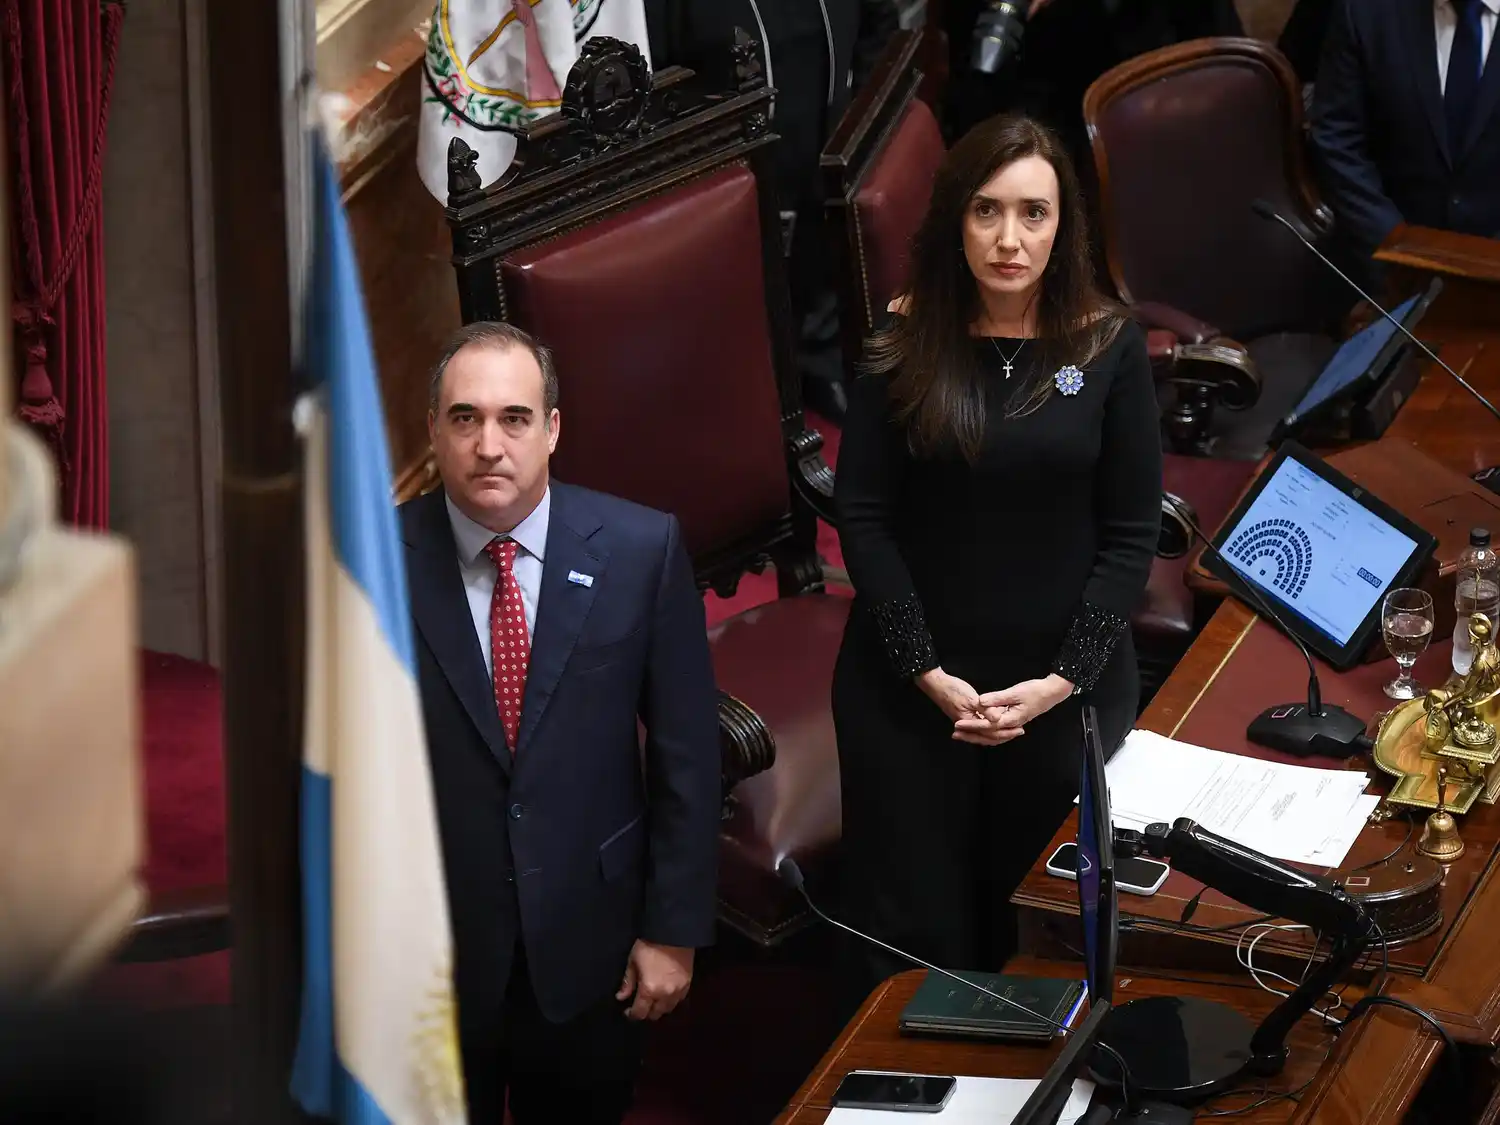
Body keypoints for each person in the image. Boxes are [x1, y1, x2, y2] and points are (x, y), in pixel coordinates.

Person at [831, 114, 1161, 1003]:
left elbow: (1132, 533)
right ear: (955, 219)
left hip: (1062, 685)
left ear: (1065, 226)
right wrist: (925, 671)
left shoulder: (1108, 344)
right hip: (911, 685)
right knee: (914, 931)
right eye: (987, 211)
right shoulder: (902, 337)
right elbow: (862, 514)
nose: (1010, 239)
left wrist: (1062, 679)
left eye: (1034, 213)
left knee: (1042, 924)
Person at [399, 321, 722, 1124]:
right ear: (433, 433)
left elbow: (687, 755)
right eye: (464, 417)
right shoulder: (371, 560)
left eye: (514, 418)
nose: (488, 444)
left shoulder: (643, 549)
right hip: (429, 954)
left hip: (592, 943)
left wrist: (672, 931)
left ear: (552, 430)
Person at [1310, 0, 1500, 283]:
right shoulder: (1366, 10)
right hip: (1384, 276)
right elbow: (1337, 139)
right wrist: (1397, 248)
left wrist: (1487, 265)